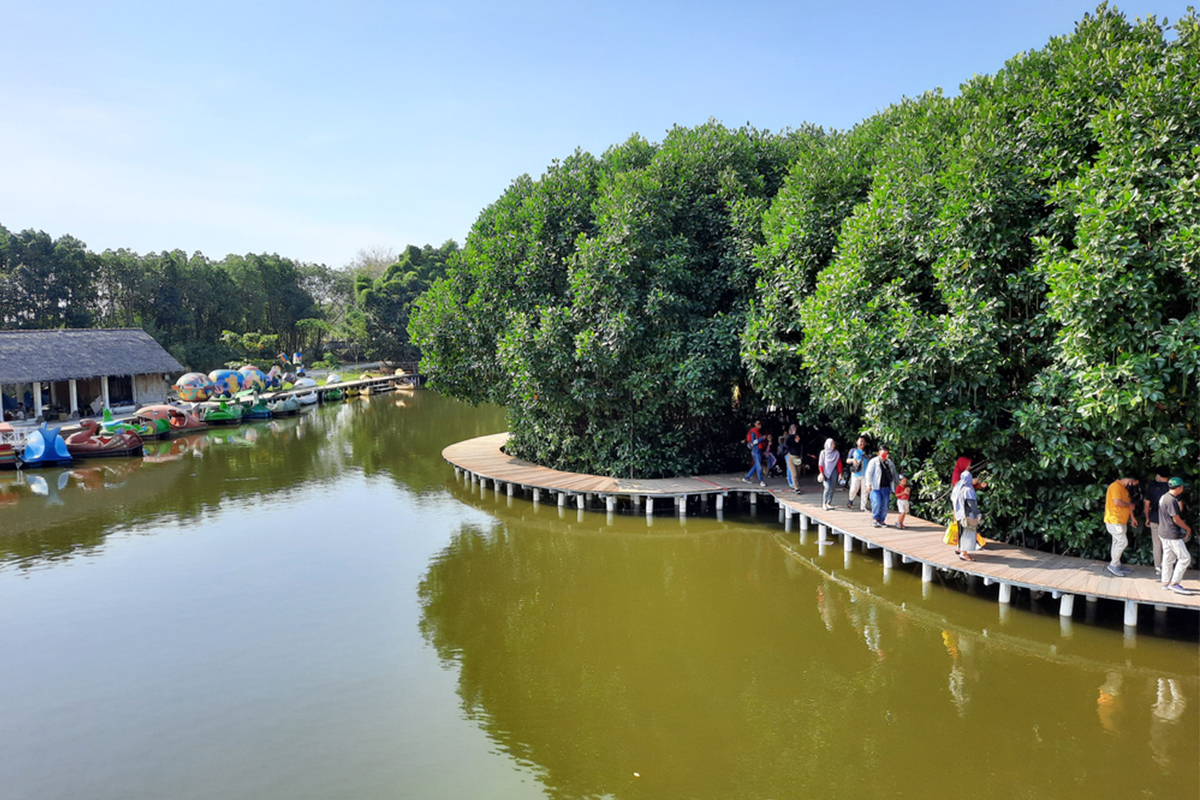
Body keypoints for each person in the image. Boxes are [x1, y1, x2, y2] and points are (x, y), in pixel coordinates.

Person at [1159, 477, 1193, 594]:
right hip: (1172, 534)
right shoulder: (1172, 500)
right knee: (1185, 558)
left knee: (1168, 558)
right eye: (1182, 486)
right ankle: (1175, 583)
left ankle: (1165, 582)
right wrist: (1187, 528)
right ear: (1178, 488)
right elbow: (1176, 519)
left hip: (1163, 532)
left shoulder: (1164, 497)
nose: (1183, 488)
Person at [1103, 476, 1140, 577]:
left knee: (1117, 542)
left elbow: (1129, 504)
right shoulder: (1115, 487)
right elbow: (1117, 502)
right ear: (1129, 481)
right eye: (1134, 484)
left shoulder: (1123, 489)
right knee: (1122, 542)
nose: (1133, 487)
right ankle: (1113, 565)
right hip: (1114, 520)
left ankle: (1117, 564)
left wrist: (1132, 518)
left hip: (1121, 521)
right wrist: (1129, 506)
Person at [1143, 472, 1171, 576]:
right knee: (1168, 544)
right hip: (1168, 520)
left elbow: (1147, 505)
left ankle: (1158, 566)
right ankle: (1167, 566)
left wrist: (1147, 518)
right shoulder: (1172, 488)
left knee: (1156, 544)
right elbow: (1180, 506)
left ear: (1158, 476)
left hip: (1155, 518)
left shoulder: (1152, 487)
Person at [865, 447, 899, 528]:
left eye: (887, 453)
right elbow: (868, 474)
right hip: (876, 487)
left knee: (885, 505)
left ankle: (882, 520)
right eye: (883, 453)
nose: (885, 455)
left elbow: (894, 474)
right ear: (879, 453)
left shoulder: (890, 463)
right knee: (877, 503)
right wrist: (868, 485)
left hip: (886, 487)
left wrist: (900, 483)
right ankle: (875, 519)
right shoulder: (873, 462)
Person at [953, 470, 981, 560]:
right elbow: (971, 503)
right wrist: (978, 514)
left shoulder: (958, 486)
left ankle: (959, 548)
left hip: (959, 513)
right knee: (967, 533)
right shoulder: (968, 489)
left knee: (961, 532)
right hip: (968, 515)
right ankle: (964, 554)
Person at [817, 438, 842, 511]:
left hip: (834, 471)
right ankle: (824, 503)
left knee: (832, 488)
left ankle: (829, 503)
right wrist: (821, 473)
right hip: (825, 472)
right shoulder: (823, 453)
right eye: (831, 444)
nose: (833, 445)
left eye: (833, 444)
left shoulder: (836, 453)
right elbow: (820, 464)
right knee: (827, 487)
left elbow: (839, 463)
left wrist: (840, 473)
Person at [846, 436, 868, 510]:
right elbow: (847, 460)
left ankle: (863, 506)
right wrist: (853, 460)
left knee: (865, 491)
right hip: (856, 473)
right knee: (854, 489)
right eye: (860, 441)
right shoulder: (853, 451)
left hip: (866, 474)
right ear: (857, 442)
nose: (862, 443)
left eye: (863, 441)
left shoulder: (867, 451)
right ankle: (850, 499)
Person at [743, 421, 766, 487]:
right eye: (758, 424)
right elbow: (753, 442)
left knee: (756, 465)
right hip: (755, 450)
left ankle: (747, 477)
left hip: (758, 450)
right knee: (759, 466)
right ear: (755, 424)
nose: (760, 425)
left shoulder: (758, 432)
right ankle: (761, 481)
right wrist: (761, 439)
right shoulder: (753, 432)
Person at [784, 424, 804, 493]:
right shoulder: (790, 440)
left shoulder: (800, 443)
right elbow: (786, 443)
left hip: (798, 458)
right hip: (791, 458)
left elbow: (803, 449)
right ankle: (796, 488)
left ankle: (795, 485)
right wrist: (792, 434)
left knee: (798, 474)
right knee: (794, 474)